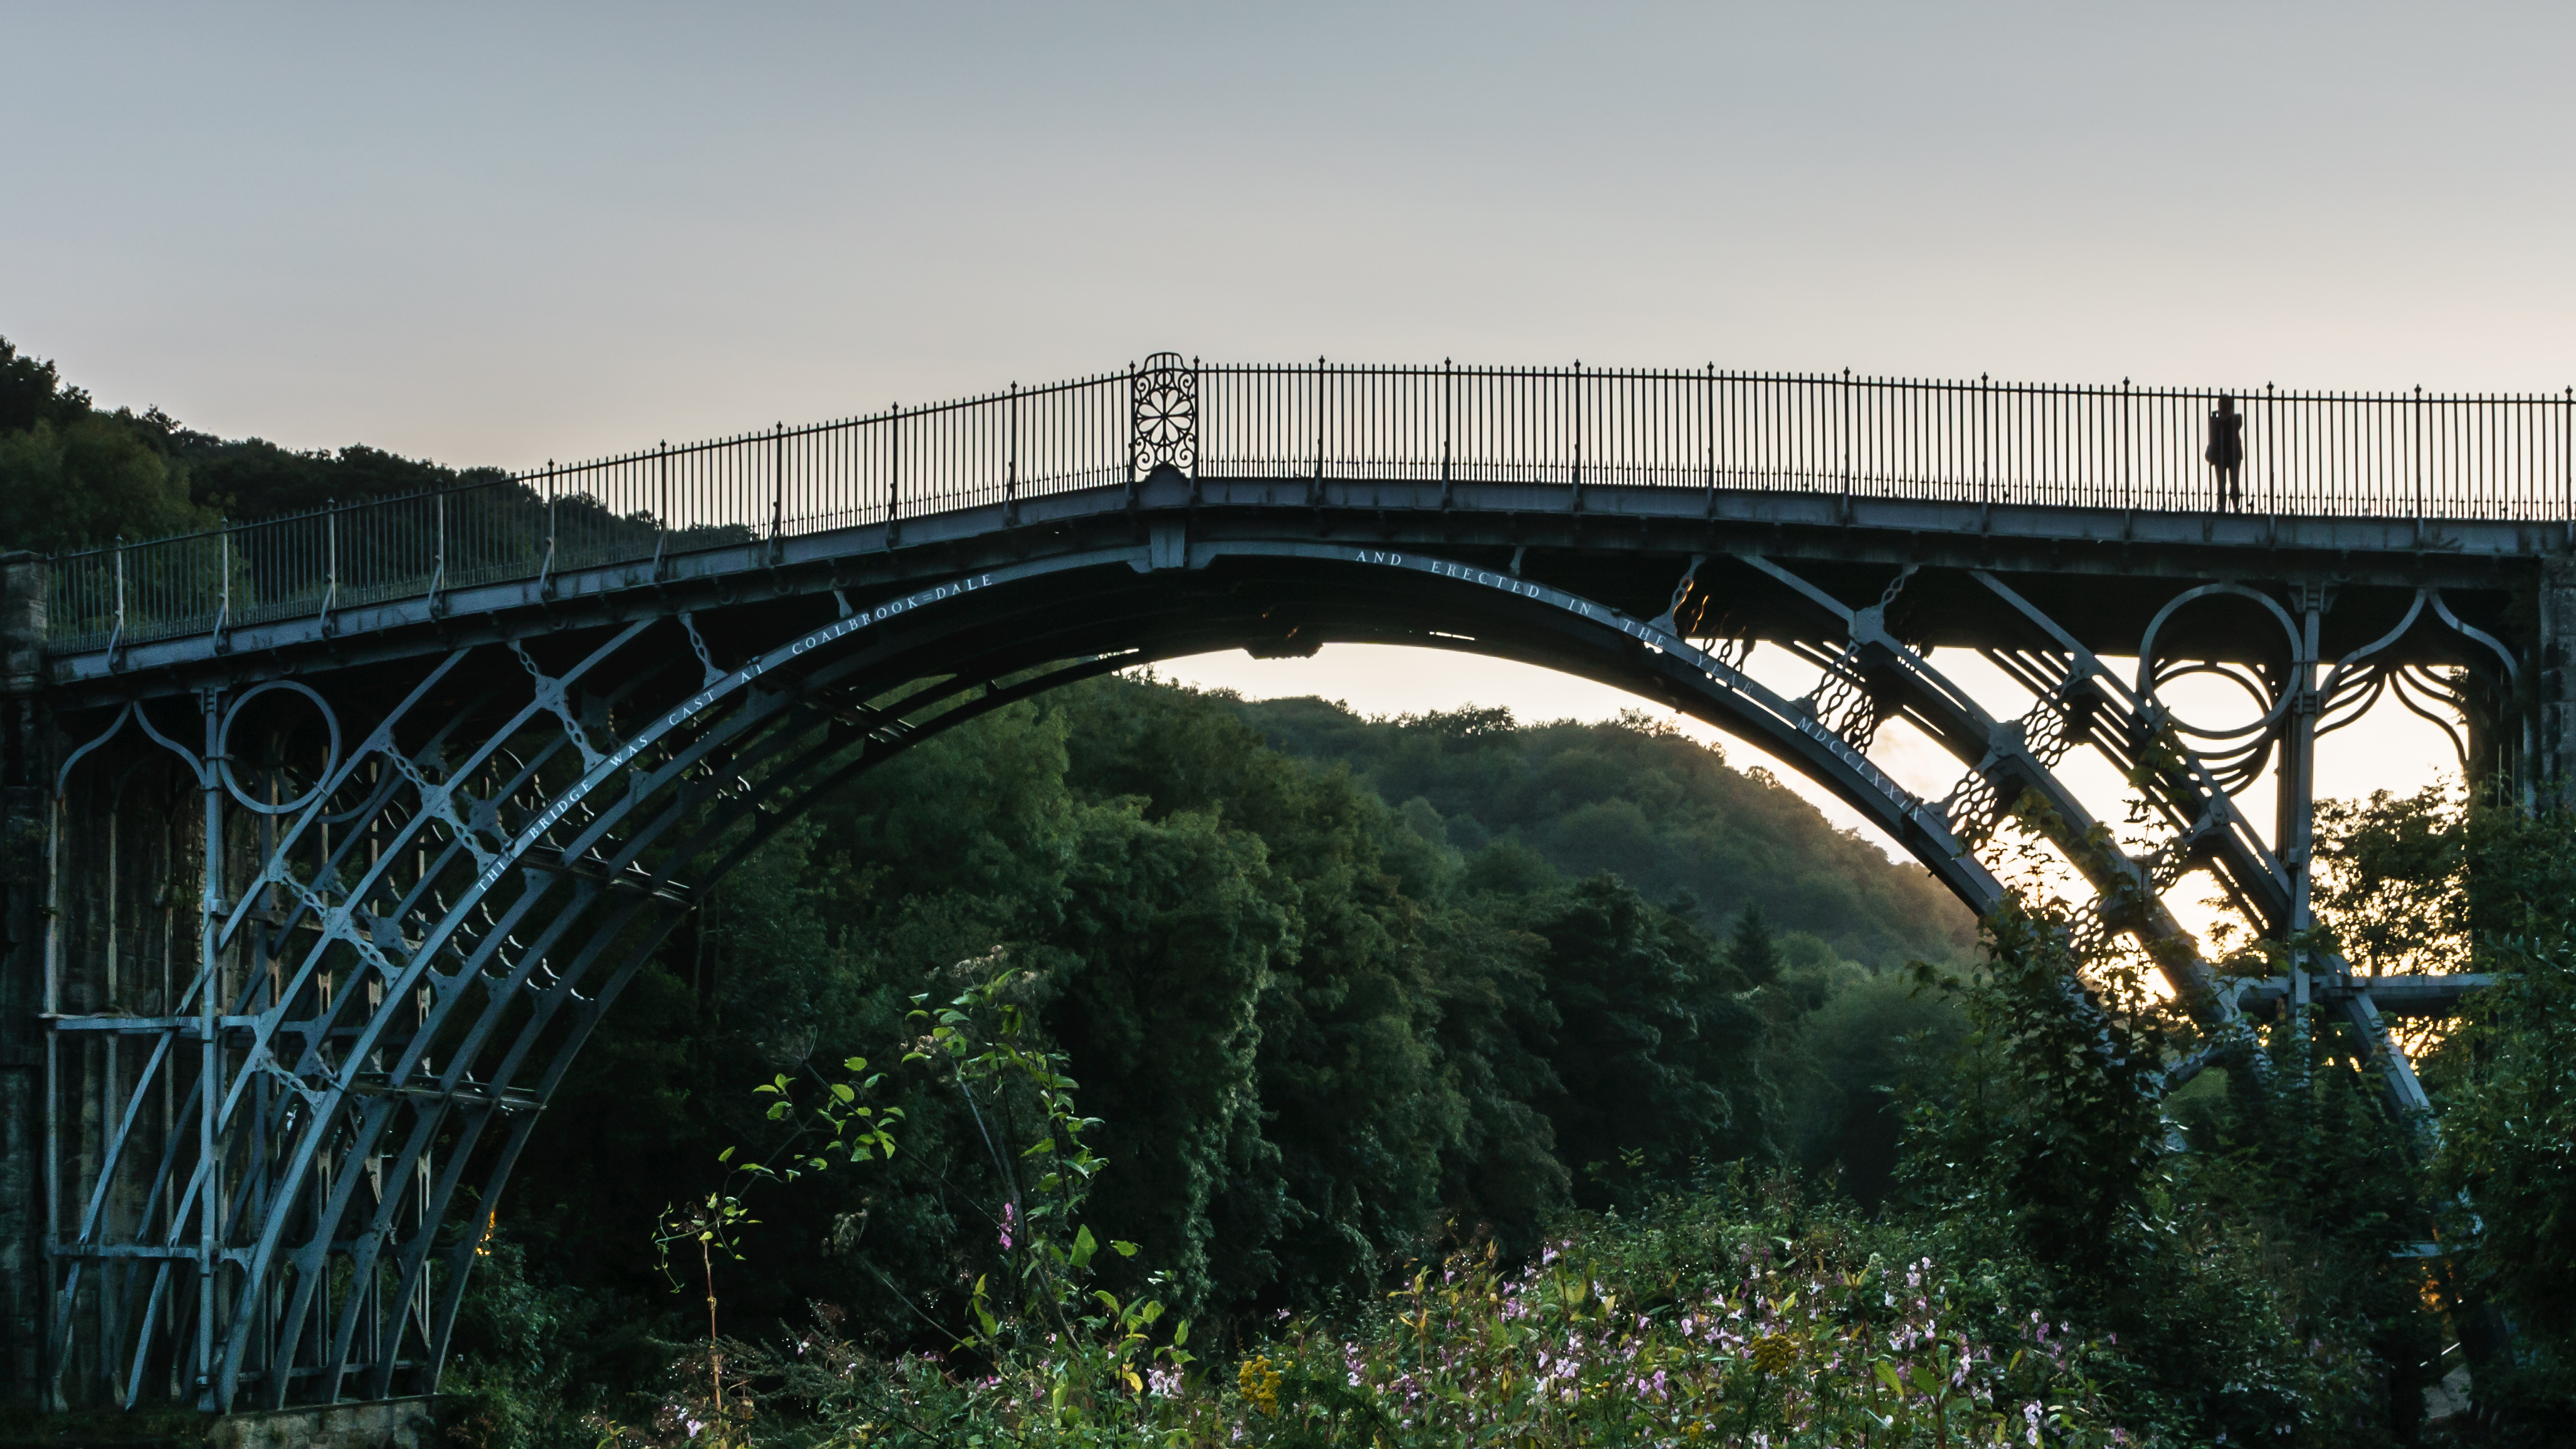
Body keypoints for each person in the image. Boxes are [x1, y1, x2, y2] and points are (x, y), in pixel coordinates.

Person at [2205, 394, 2246, 512]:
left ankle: (2236, 506)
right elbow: (2213, 436)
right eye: (2220, 404)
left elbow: (2236, 423)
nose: (2221, 406)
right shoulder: (2215, 420)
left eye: (2223, 404)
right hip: (2220, 455)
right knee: (2221, 483)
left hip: (2233, 454)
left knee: (2234, 482)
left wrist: (2222, 420)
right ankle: (2222, 507)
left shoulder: (2236, 418)